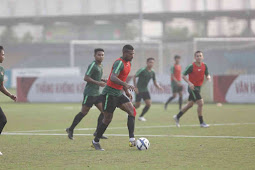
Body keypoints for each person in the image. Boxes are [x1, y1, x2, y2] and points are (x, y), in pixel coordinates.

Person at [92, 44, 136, 151]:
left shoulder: (128, 63)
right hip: (110, 94)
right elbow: (112, 77)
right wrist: (126, 85)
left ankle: (132, 139)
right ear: (124, 53)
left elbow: (122, 78)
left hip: (119, 94)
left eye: (133, 54)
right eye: (130, 54)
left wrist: (126, 91)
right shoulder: (119, 62)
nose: (132, 56)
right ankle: (95, 141)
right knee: (107, 119)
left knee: (132, 112)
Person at [66, 48, 108, 140]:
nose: (101, 56)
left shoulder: (101, 66)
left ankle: (97, 132)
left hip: (97, 93)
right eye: (99, 55)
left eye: (102, 55)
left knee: (104, 112)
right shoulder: (93, 65)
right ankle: (70, 129)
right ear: (94, 55)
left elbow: (95, 77)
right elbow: (86, 78)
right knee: (84, 112)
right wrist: (98, 83)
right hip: (89, 93)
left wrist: (102, 80)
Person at [173, 51, 211, 128]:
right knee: (200, 103)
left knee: (189, 105)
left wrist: (208, 77)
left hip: (198, 87)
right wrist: (189, 83)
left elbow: (207, 74)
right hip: (192, 88)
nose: (199, 57)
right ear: (195, 58)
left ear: (202, 57)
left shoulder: (204, 66)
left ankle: (177, 117)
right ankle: (201, 122)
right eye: (197, 56)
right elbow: (183, 75)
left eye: (200, 56)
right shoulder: (191, 66)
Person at [0, 46, 17, 156]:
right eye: (2, 54)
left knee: (2, 120)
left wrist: (10, 95)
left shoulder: (1, 70)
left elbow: (1, 86)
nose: (4, 57)